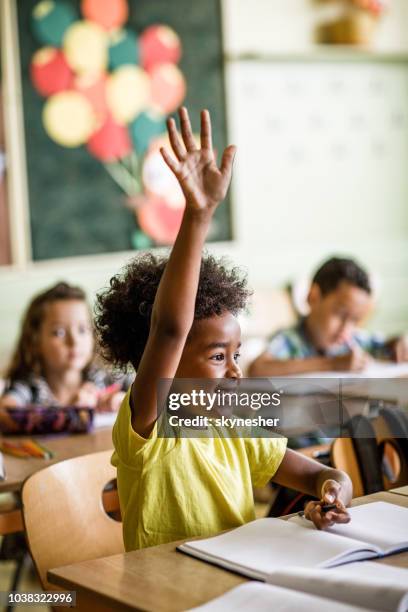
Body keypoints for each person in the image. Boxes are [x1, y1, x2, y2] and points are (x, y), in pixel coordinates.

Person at [96, 107, 352, 552]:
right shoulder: (149, 425)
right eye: (218, 356)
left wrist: (333, 493)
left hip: (237, 587)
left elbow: (322, 475)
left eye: (235, 354)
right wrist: (199, 213)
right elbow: (170, 328)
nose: (235, 372)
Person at [249, 257, 408, 377]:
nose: (346, 329)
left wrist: (396, 344)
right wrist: (332, 364)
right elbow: (258, 369)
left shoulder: (353, 341)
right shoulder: (290, 340)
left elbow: (383, 346)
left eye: (355, 320)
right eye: (340, 314)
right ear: (313, 297)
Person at [0, 282, 128, 410]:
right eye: (59, 332)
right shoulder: (29, 387)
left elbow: (144, 388)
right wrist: (69, 413)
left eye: (82, 329)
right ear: (34, 341)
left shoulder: (107, 379)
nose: (74, 341)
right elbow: (4, 411)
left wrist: (123, 400)